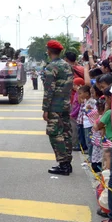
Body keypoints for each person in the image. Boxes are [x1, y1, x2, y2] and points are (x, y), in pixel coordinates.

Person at [43, 40, 74, 175]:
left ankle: (63, 165)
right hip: (66, 104)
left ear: (49, 51)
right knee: (66, 133)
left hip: (55, 106)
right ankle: (67, 163)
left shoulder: (52, 67)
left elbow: (49, 90)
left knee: (55, 134)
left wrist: (45, 109)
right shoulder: (67, 65)